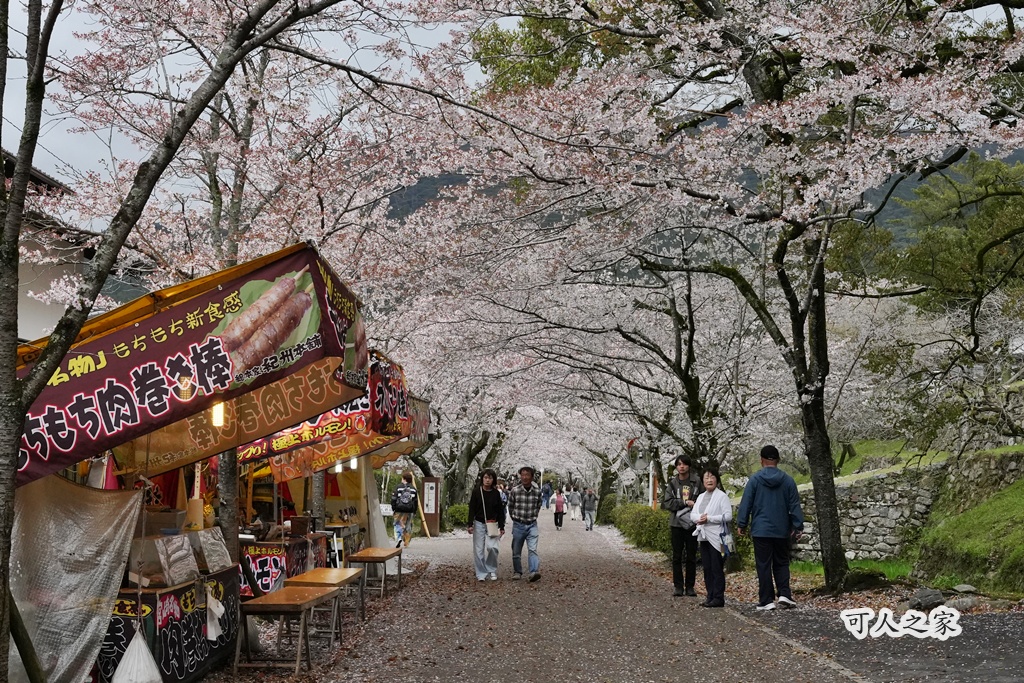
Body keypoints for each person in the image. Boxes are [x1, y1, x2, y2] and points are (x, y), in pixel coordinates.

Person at [736, 445, 804, 611]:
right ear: (778, 460)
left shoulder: (755, 480)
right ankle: (784, 594)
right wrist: (798, 525)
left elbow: (746, 503)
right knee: (781, 562)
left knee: (764, 564)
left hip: (761, 529)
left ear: (761, 460)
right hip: (781, 529)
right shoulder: (788, 480)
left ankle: (766, 600)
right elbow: (794, 504)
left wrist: (742, 524)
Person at [661, 454, 703, 597]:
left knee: (691, 556)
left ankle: (690, 586)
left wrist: (695, 504)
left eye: (684, 464)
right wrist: (684, 503)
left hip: (692, 523)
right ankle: (678, 586)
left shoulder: (697, 482)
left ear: (689, 466)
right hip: (676, 524)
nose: (681, 467)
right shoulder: (673, 484)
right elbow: (667, 503)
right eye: (679, 464)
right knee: (677, 556)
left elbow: (704, 499)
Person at [691, 468, 732, 608]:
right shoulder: (701, 497)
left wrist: (709, 519)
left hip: (718, 537)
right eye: (706, 477)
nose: (709, 480)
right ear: (702, 481)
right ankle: (710, 595)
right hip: (703, 537)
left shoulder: (722, 496)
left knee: (716, 567)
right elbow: (693, 514)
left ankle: (718, 597)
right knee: (707, 568)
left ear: (717, 479)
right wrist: (699, 519)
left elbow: (728, 516)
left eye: (712, 477)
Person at [506, 465, 543, 581]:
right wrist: (515, 519)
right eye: (523, 475)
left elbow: (538, 505)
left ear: (532, 477)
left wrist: (534, 515)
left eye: (527, 475)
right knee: (516, 550)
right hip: (518, 524)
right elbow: (510, 506)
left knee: (532, 549)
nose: (525, 477)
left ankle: (534, 571)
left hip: (532, 524)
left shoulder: (537, 491)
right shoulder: (515, 491)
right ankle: (517, 571)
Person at [468, 468, 505, 581]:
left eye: (490, 478)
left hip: (492, 523)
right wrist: (470, 524)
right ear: (482, 478)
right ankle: (481, 573)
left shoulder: (496, 494)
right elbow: (472, 508)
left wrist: (502, 526)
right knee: (478, 550)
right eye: (485, 477)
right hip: (479, 523)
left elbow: (500, 510)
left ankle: (491, 569)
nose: (487, 480)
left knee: (493, 548)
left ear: (493, 480)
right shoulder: (476, 491)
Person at [390, 471, 418, 548]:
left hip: (399, 509)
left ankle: (399, 538)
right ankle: (406, 541)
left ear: (404, 479)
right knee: (408, 525)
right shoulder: (413, 489)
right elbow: (415, 501)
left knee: (397, 523)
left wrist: (394, 508)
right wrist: (414, 511)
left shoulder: (398, 487)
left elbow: (393, 499)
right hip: (410, 510)